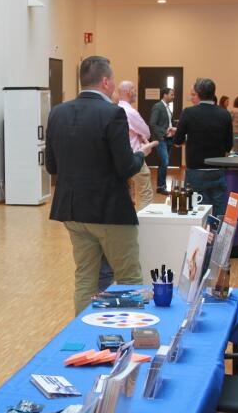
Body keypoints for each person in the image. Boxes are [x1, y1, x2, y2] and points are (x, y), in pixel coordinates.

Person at [46, 56, 158, 314]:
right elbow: (124, 167)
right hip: (109, 211)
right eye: (114, 80)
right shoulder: (112, 113)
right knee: (129, 277)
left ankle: (83, 338)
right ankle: (131, 340)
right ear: (106, 81)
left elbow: (52, 168)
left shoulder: (58, 112)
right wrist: (140, 154)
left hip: (73, 211)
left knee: (85, 277)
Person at [167, 77, 233, 217]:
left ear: (198, 93)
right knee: (219, 211)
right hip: (218, 169)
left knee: (197, 212)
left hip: (195, 170)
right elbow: (229, 145)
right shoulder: (224, 114)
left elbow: (177, 142)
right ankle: (217, 237)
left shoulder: (189, 112)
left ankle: (201, 238)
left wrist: (185, 137)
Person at [112, 80, 154, 210]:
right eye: (134, 90)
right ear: (129, 92)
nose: (135, 93)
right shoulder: (130, 112)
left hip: (119, 158)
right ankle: (145, 225)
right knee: (145, 192)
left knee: (126, 193)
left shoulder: (115, 109)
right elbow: (146, 132)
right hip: (135, 156)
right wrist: (140, 135)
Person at [148, 87, 174, 195]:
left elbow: (167, 123)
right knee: (165, 161)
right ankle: (161, 186)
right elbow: (152, 123)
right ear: (165, 95)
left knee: (163, 162)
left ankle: (160, 186)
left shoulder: (167, 107)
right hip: (161, 139)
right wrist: (163, 134)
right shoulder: (158, 106)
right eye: (171, 94)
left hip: (169, 139)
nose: (173, 96)